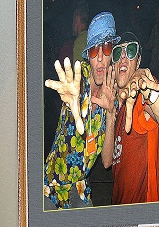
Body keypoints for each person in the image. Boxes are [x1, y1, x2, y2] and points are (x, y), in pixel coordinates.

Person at [43, 11, 119, 209]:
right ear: (88, 56)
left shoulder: (112, 95)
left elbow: (107, 162)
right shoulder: (78, 80)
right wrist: (72, 99)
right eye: (94, 51)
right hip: (53, 185)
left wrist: (111, 114)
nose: (100, 58)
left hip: (80, 189)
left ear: (113, 53)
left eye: (106, 47)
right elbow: (72, 89)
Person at [102, 32, 159, 204]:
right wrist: (110, 115)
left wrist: (148, 91)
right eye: (117, 53)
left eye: (130, 50)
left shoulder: (140, 97)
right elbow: (107, 161)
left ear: (138, 62)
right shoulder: (121, 108)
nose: (123, 57)